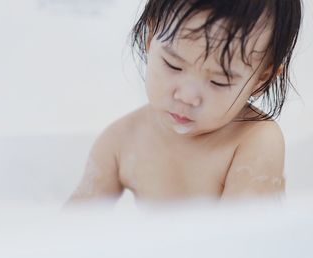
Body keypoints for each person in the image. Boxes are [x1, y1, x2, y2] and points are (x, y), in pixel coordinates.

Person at [65, 0, 302, 206]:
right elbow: (70, 234)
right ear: (150, 40)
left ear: (261, 80)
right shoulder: (120, 141)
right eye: (173, 65)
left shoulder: (254, 140)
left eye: (218, 81)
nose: (187, 96)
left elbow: (244, 246)